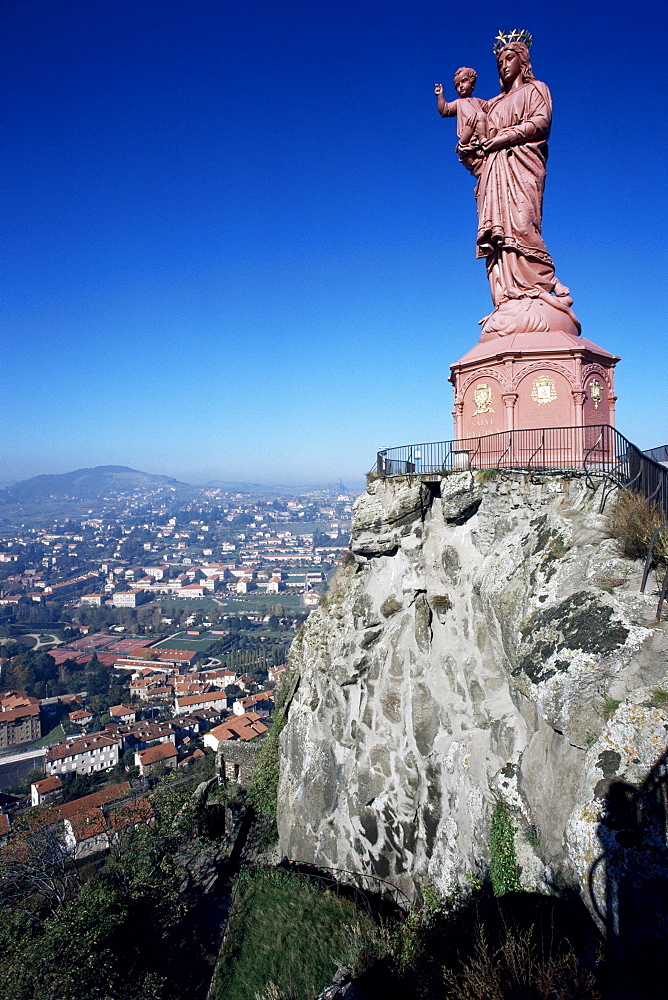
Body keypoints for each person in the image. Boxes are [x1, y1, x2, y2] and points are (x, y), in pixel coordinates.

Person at [473, 40, 573, 313]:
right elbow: (478, 150)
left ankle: (543, 283)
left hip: (523, 166)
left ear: (522, 61)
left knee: (522, 221)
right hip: (494, 174)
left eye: (508, 58)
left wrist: (503, 138)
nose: (504, 66)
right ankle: (509, 295)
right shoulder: (491, 105)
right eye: (499, 62)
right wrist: (469, 151)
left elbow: (541, 122)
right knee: (499, 232)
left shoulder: (536, 89)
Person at [434, 68, 488, 175]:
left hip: (481, 132)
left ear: (472, 83)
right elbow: (445, 110)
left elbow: (491, 106)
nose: (461, 86)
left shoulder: (478, 102)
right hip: (468, 136)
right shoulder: (458, 103)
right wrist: (440, 95)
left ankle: (483, 141)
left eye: (464, 81)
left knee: (482, 116)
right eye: (457, 85)